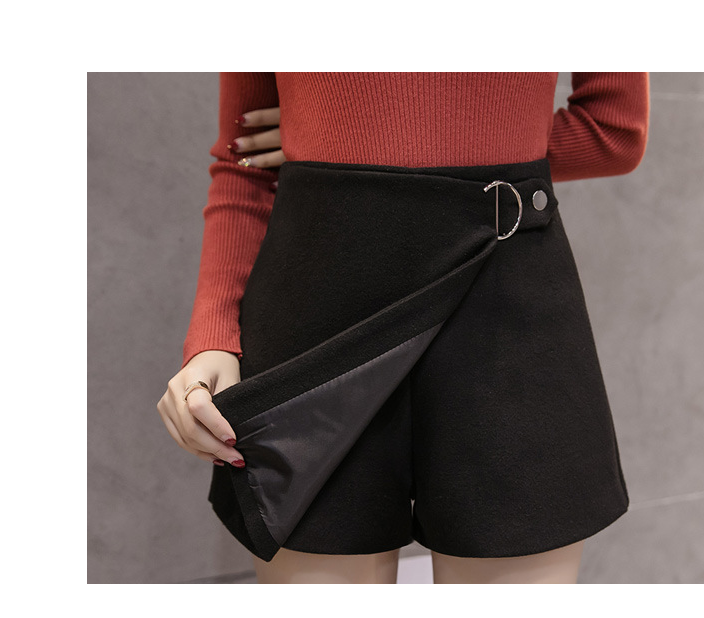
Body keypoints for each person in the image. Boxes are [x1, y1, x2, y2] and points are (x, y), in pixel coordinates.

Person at [157, 72, 649, 584]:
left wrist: (351, 136)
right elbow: (243, 164)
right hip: (315, 314)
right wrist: (211, 337)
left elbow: (614, 130)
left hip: (499, 292)